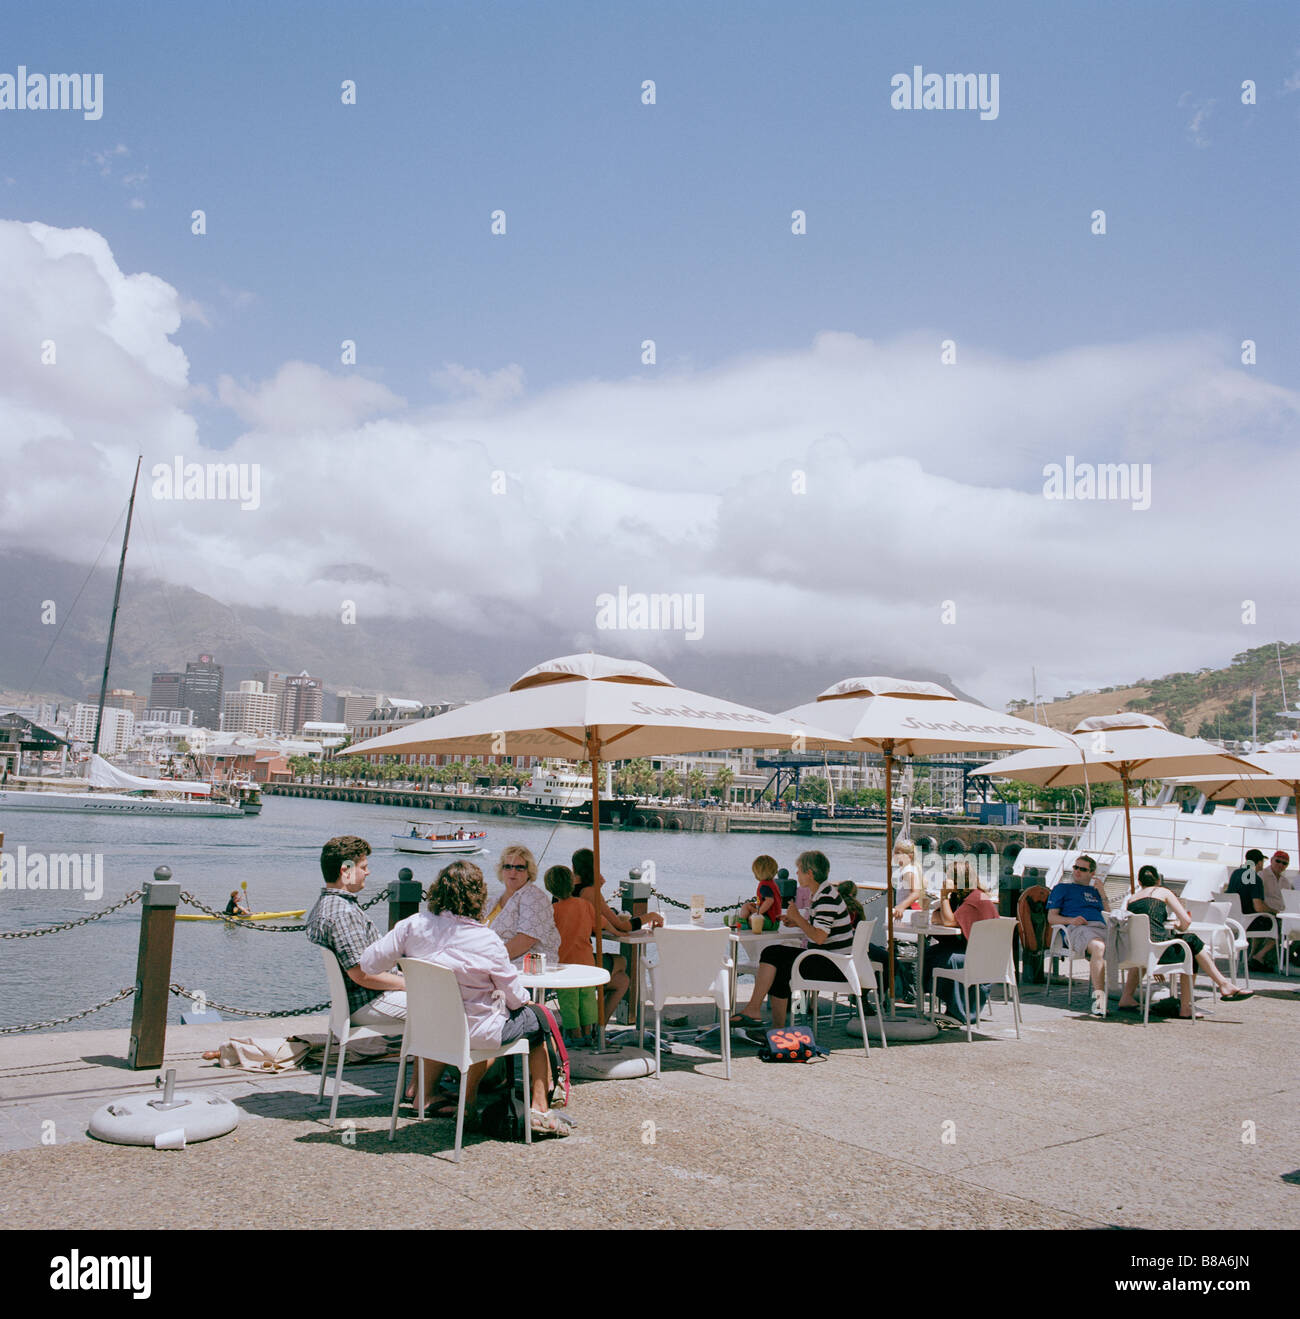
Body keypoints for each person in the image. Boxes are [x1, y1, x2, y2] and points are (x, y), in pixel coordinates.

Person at [360, 860, 570, 1136]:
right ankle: (539, 1110)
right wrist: (524, 1002)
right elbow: (514, 996)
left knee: (469, 1017)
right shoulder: (486, 939)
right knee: (539, 1020)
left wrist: (409, 971)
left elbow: (368, 963)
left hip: (426, 1030)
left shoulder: (411, 926)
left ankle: (463, 1102)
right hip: (476, 1032)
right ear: (478, 896)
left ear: (437, 891)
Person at [731, 850, 853, 1029]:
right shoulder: (824, 893)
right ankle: (770, 1022)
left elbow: (819, 937)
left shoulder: (826, 897)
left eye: (799, 870)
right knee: (774, 956)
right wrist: (795, 920)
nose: (796, 874)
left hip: (832, 964)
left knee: (775, 957)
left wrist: (798, 918)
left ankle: (758, 1013)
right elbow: (818, 929)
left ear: (809, 873)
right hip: (829, 959)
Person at [1116, 865, 1253, 1018]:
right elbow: (1186, 922)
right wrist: (1178, 925)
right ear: (1158, 880)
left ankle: (1126, 997)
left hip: (1138, 953)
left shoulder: (1132, 899)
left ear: (1140, 882)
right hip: (1158, 951)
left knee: (1184, 947)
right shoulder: (1163, 892)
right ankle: (1214, 990)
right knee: (1192, 943)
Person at [305, 835, 406, 1029]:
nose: (368, 872)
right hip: (370, 1001)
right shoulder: (343, 913)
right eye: (363, 867)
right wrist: (409, 983)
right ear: (346, 871)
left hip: (359, 1001)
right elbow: (362, 975)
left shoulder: (325, 905)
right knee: (445, 1005)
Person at [572, 846, 663, 1026]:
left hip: (563, 958)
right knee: (622, 963)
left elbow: (587, 922)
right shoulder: (589, 892)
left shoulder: (565, 890)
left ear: (574, 868)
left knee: (621, 980)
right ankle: (598, 1027)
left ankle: (596, 1027)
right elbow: (622, 925)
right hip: (580, 961)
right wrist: (651, 916)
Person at [927, 863, 1000, 1024]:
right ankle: (950, 1006)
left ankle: (958, 1013)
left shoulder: (976, 899)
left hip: (983, 958)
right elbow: (937, 917)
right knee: (930, 954)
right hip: (976, 950)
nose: (945, 880)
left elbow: (948, 920)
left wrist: (944, 895)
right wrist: (947, 902)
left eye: (948, 877)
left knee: (945, 959)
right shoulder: (962, 898)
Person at [1046, 854, 1111, 1017]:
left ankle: (1127, 997)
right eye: (1076, 867)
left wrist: (1102, 892)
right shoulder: (1062, 888)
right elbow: (1051, 918)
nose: (1077, 871)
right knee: (1098, 947)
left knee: (1131, 943)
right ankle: (1099, 1001)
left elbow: (1108, 913)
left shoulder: (1095, 892)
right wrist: (1071, 920)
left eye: (1083, 869)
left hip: (1101, 927)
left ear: (1092, 873)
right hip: (1078, 929)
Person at [544, 865, 599, 1045]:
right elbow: (599, 926)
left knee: (569, 1002)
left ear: (549, 888)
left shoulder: (553, 910)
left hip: (565, 963)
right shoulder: (585, 905)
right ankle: (588, 1032)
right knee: (587, 998)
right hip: (587, 961)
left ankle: (575, 1035)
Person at [485, 844, 561, 966]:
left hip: (525, 970)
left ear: (529, 872)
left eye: (519, 868)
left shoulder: (535, 897)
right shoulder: (494, 900)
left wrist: (488, 959)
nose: (513, 872)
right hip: (494, 965)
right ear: (501, 870)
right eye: (508, 866)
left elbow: (525, 941)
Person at [1227, 848, 1275, 970]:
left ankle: (1252, 957)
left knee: (1262, 922)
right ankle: (1258, 956)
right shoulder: (1255, 879)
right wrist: (1273, 911)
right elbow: (1258, 907)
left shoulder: (1235, 874)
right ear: (1259, 863)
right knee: (1275, 924)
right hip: (1247, 921)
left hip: (1233, 920)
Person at [736, 854, 784, 929]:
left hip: (769, 922)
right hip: (775, 921)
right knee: (747, 905)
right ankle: (743, 921)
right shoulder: (771, 883)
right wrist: (756, 905)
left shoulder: (764, 886)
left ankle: (742, 924)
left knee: (748, 912)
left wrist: (757, 912)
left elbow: (769, 901)